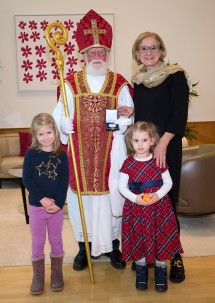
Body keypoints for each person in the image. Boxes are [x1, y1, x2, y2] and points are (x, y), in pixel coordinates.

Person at [53, 9, 134, 271]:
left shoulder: (119, 83)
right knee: (80, 200)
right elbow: (59, 115)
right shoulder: (69, 84)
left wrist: (123, 122)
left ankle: (113, 246)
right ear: (83, 56)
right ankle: (83, 247)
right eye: (92, 53)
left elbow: (129, 117)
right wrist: (62, 125)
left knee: (111, 199)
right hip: (79, 153)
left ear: (107, 55)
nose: (97, 57)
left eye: (102, 52)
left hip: (113, 152)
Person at [131, 31, 191, 283]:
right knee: (144, 200)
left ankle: (175, 255)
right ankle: (147, 253)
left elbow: (179, 114)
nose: (149, 52)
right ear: (136, 53)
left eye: (153, 47)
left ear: (162, 51)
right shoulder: (138, 82)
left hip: (166, 147)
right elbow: (141, 116)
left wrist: (163, 143)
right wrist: (129, 110)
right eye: (143, 48)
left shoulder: (175, 76)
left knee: (166, 202)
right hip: (143, 150)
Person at [118, 121, 184, 292]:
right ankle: (141, 271)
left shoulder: (158, 161)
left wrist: (157, 196)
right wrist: (135, 198)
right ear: (130, 142)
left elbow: (168, 183)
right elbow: (122, 187)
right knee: (138, 238)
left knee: (160, 237)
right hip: (136, 210)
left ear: (153, 140)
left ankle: (161, 271)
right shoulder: (128, 164)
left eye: (145, 140)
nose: (140, 145)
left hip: (159, 209)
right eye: (136, 141)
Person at [22, 113, 69, 295]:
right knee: (37, 241)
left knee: (56, 239)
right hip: (36, 206)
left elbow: (63, 181)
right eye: (41, 134)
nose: (45, 137)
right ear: (35, 136)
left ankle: (57, 273)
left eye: (48, 132)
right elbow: (27, 179)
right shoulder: (31, 154)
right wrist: (42, 199)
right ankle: (38, 276)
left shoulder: (62, 156)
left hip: (56, 208)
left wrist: (58, 203)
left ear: (55, 132)